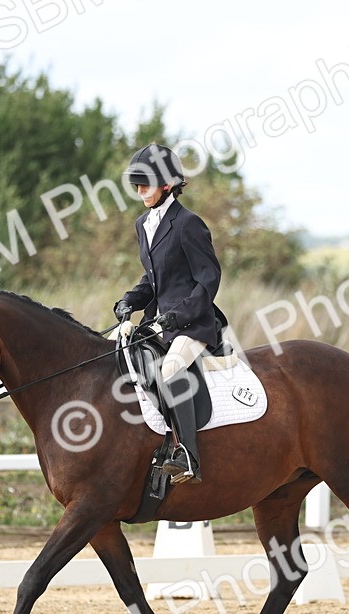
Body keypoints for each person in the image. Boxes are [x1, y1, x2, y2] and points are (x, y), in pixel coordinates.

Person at [113, 143, 229, 485]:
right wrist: (129, 301)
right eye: (136, 185)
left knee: (172, 366)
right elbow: (153, 280)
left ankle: (188, 455)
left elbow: (208, 280)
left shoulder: (188, 224)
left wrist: (177, 316)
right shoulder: (143, 224)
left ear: (167, 184)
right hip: (158, 324)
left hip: (193, 324)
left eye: (145, 184)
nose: (139, 191)